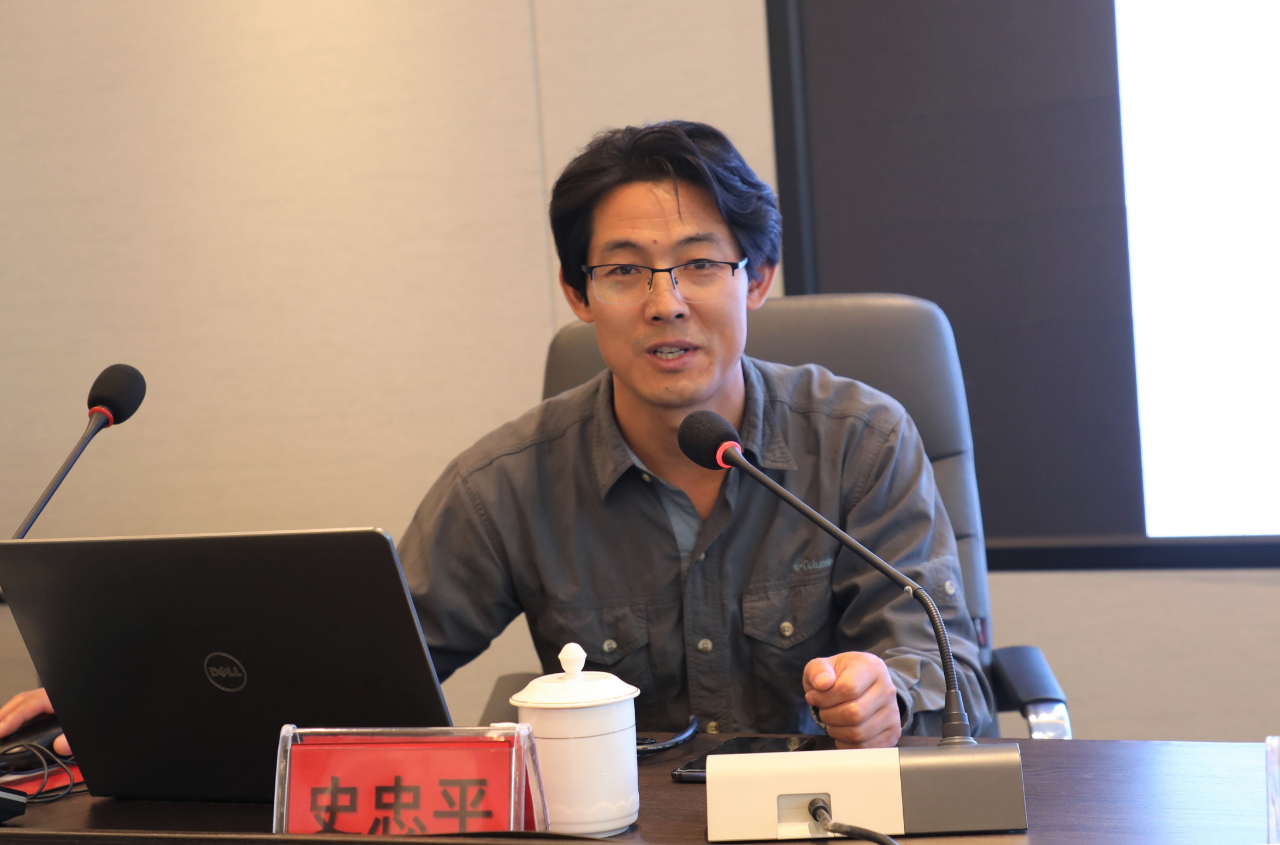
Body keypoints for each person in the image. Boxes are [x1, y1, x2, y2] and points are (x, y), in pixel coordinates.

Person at [0, 120, 991, 753]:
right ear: (577, 293)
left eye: (700, 263)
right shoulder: (507, 483)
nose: (666, 303)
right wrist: (132, 696)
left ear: (756, 279)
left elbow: (951, 669)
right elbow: (362, 666)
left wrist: (887, 693)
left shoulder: (859, 440)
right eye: (624, 271)